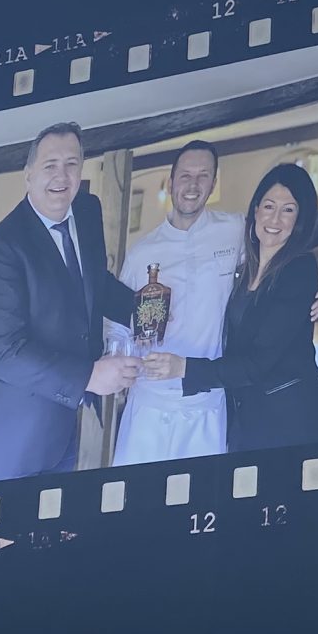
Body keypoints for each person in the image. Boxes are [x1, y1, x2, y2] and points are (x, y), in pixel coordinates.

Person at [0, 122, 140, 483]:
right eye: (50, 165)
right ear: (28, 174)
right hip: (7, 441)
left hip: (60, 430)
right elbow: (8, 354)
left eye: (71, 164)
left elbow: (94, 282)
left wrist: (144, 311)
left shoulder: (86, 211)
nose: (62, 176)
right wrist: (91, 375)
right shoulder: (0, 248)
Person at [142, 162, 318, 451]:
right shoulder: (246, 266)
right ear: (255, 210)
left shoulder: (298, 269)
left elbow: (258, 363)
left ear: (300, 219)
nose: (275, 219)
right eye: (268, 206)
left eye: (288, 210)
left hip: (292, 423)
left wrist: (184, 368)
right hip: (249, 416)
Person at [112, 138, 241, 463]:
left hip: (206, 403)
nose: (193, 185)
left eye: (203, 176)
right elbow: (116, 323)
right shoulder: (142, 252)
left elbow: (274, 259)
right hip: (149, 404)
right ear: (170, 183)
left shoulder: (236, 231)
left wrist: (314, 291)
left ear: (213, 183)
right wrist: (125, 352)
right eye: (185, 175)